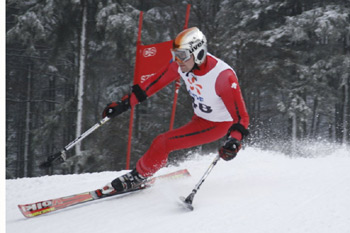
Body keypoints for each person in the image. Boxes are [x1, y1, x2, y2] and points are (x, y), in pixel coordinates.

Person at [98, 27, 249, 196]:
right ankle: (152, 165)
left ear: (198, 53)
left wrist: (234, 141)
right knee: (162, 143)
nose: (178, 60)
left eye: (182, 55)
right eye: (175, 54)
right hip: (200, 118)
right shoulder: (181, 65)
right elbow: (153, 83)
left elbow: (241, 117)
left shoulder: (222, 77)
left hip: (217, 124)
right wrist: (124, 103)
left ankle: (138, 176)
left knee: (163, 142)